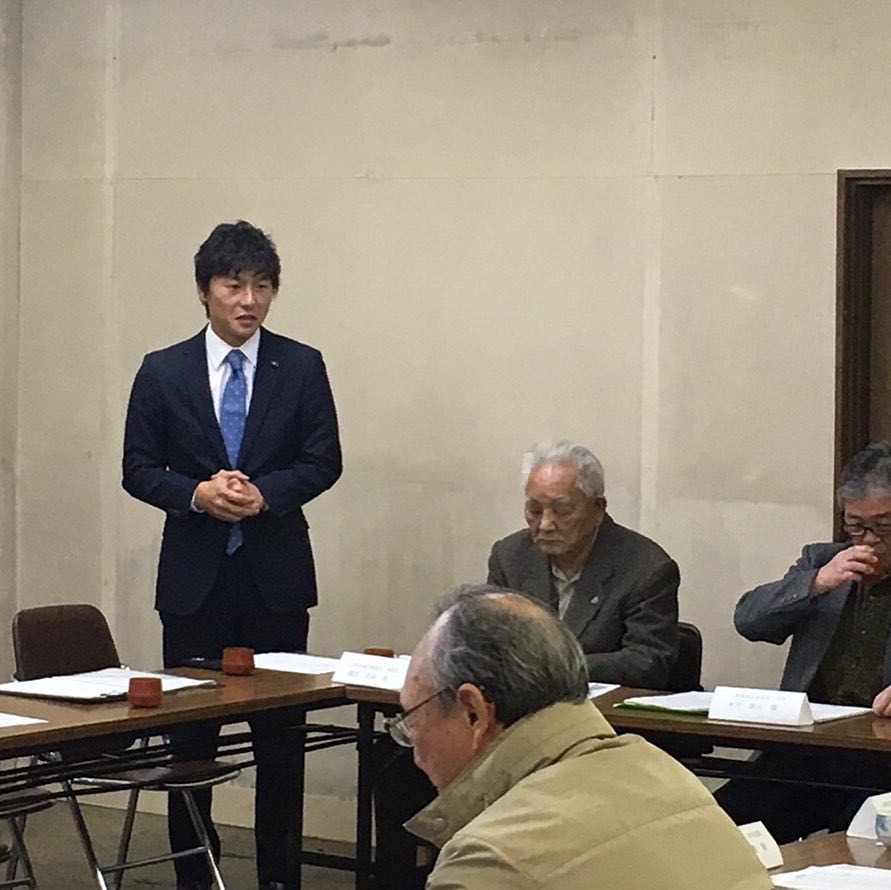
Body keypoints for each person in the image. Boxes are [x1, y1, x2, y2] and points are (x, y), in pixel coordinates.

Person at [122, 220, 342, 890]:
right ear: (204, 290)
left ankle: (279, 877)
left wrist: (264, 495)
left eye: (263, 287)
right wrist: (196, 494)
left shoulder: (300, 365)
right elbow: (137, 468)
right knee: (190, 743)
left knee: (281, 742)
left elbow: (323, 460)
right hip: (195, 585)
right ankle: (195, 874)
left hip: (275, 580)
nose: (249, 301)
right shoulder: (163, 370)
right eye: (234, 285)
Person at [392, 584, 770, 889]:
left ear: (473, 712)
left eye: (412, 719)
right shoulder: (670, 777)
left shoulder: (489, 859)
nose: (414, 752)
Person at [718, 440, 891, 843]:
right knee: (718, 824)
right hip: (808, 749)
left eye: (883, 527)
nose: (868, 541)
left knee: (858, 843)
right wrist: (816, 583)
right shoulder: (822, 561)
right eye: (856, 526)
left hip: (881, 759)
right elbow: (749, 621)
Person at [488, 441, 680, 687]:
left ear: (597, 509)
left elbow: (647, 663)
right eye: (534, 510)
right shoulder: (510, 557)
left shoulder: (646, 568)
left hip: (604, 708)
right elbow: (489, 643)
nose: (545, 524)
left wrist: (556, 668)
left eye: (562, 510)